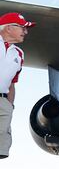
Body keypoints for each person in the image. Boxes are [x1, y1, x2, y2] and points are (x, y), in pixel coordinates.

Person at [0, 12, 35, 159]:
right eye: (23, 28)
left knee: (1, 149)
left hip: (4, 102)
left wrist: (10, 105)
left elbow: (12, 83)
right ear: (9, 28)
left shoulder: (19, 54)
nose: (25, 32)